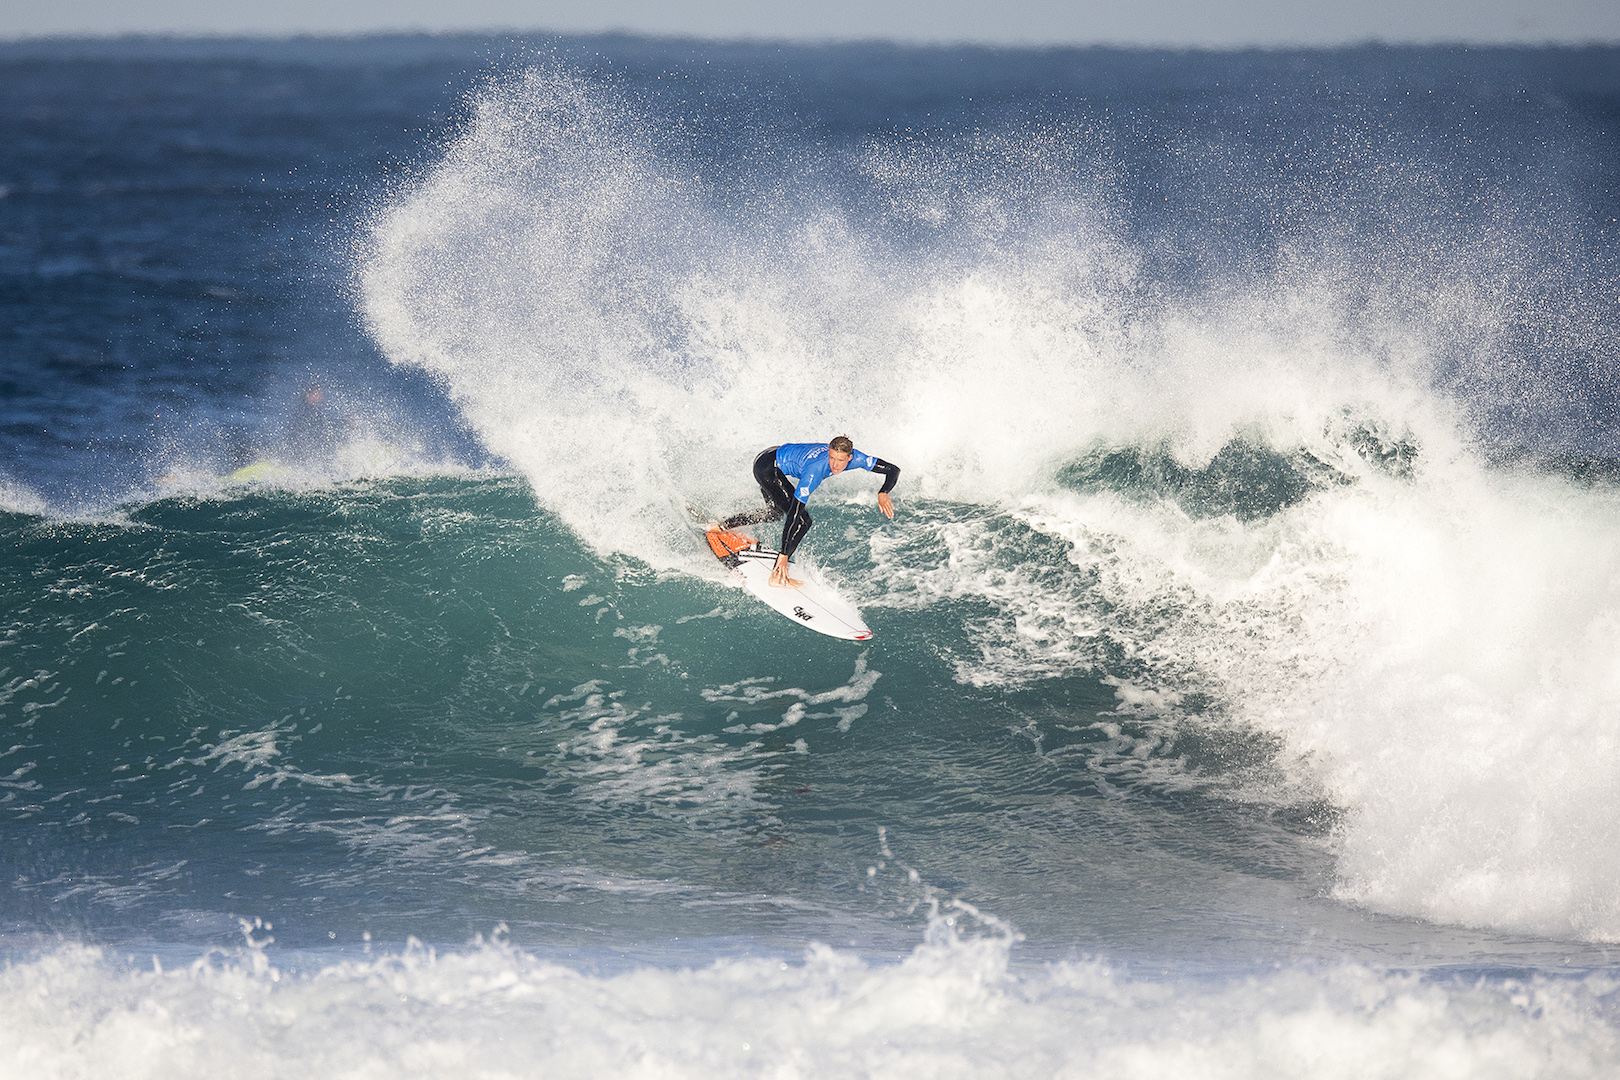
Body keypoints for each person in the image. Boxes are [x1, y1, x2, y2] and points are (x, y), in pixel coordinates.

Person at [722, 435, 900, 588]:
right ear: (828, 452)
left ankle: (723, 526)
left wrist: (883, 492)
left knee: (774, 513)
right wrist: (784, 556)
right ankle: (776, 575)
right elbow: (794, 514)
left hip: (771, 455)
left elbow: (893, 469)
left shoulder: (858, 459)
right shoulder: (814, 472)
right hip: (767, 468)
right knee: (802, 521)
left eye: (840, 460)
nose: (835, 465)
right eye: (831, 458)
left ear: (850, 458)